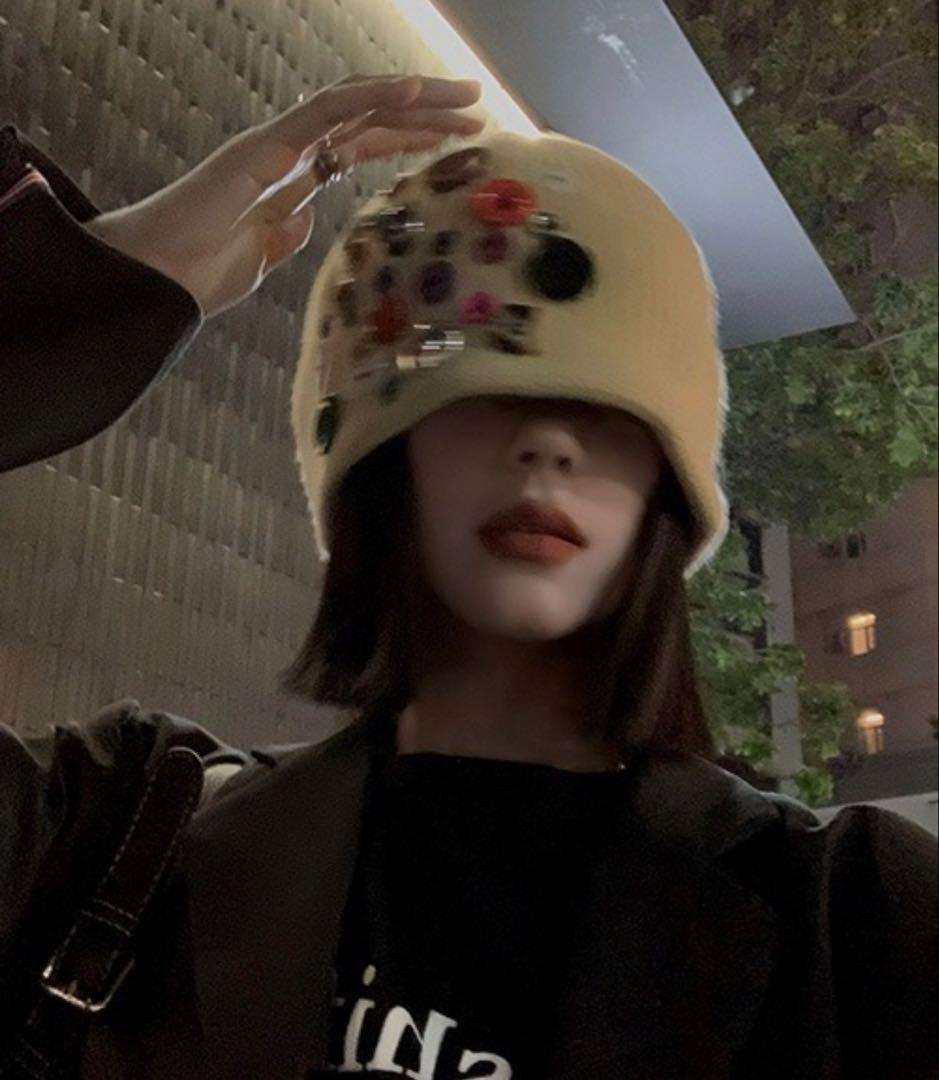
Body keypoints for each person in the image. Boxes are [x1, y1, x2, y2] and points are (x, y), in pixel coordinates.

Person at [0, 75, 936, 1080]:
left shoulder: (852, 927)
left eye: (604, 409)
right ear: (382, 469)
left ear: (665, 488)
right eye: (478, 398)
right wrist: (86, 295)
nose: (544, 443)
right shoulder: (118, 829)